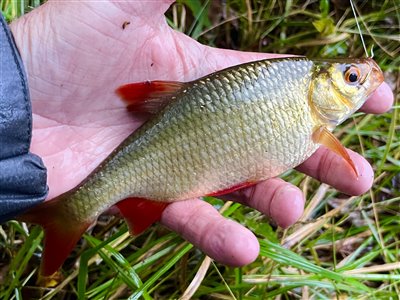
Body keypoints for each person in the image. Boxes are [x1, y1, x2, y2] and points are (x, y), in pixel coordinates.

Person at [1, 0, 394, 266]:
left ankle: (65, 216)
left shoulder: (305, 104)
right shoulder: (302, 94)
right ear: (321, 86)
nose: (361, 81)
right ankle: (67, 216)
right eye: (352, 77)